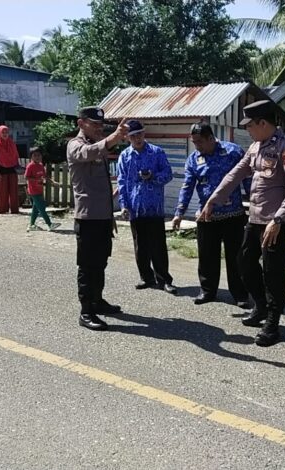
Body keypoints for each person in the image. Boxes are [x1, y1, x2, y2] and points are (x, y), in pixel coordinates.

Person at [199, 100, 285, 347]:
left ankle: (272, 323)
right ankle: (261, 307)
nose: (248, 130)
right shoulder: (256, 147)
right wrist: (213, 200)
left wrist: (278, 219)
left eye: (250, 125)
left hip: (274, 223)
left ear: (262, 123)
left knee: (273, 273)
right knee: (244, 263)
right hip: (255, 219)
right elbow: (235, 174)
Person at [172, 121, 250, 308]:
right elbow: (187, 186)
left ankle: (240, 294)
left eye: (199, 142)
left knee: (236, 258)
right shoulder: (193, 159)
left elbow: (247, 179)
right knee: (207, 257)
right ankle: (207, 291)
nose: (196, 146)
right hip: (206, 217)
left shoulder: (233, 152)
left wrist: (255, 204)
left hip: (233, 215)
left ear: (211, 138)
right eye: (194, 142)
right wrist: (179, 212)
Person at [67, 106, 129, 331]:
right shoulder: (75, 145)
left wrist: (109, 215)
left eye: (101, 125)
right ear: (81, 123)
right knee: (87, 265)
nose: (98, 128)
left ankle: (97, 300)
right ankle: (86, 311)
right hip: (87, 218)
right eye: (94, 124)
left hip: (102, 216)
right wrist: (113, 138)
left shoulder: (98, 144)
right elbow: (88, 152)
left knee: (101, 262)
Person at [117, 119, 177, 295]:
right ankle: (146, 277)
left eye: (140, 134)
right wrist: (123, 205)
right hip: (135, 208)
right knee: (140, 245)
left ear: (144, 133)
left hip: (154, 207)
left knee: (158, 245)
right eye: (133, 136)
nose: (137, 138)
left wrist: (152, 176)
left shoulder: (157, 152)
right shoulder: (125, 156)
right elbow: (121, 182)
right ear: (128, 138)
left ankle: (164, 279)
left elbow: (168, 174)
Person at [24, 147, 61, 232]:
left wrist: (53, 182)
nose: (37, 157)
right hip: (33, 191)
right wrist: (36, 179)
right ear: (31, 157)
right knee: (41, 208)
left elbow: (45, 176)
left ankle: (31, 225)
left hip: (39, 190)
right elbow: (26, 177)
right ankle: (50, 224)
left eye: (39, 155)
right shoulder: (30, 166)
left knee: (36, 208)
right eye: (35, 155)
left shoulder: (41, 165)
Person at [0, 125, 21, 214]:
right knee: (2, 191)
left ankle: (14, 210)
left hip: (12, 169)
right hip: (1, 170)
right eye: (3, 132)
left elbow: (16, 156)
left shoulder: (12, 143)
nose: (5, 134)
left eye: (6, 132)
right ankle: (3, 210)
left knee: (14, 190)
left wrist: (18, 168)